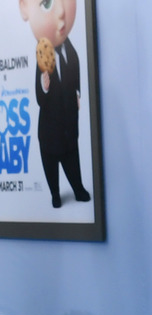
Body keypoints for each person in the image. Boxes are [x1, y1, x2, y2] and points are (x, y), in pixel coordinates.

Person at [20, 0, 91, 208]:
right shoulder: (43, 58)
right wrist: (44, 86)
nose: (60, 13)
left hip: (69, 124)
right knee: (51, 165)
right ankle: (55, 193)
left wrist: (77, 92)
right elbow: (40, 98)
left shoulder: (70, 49)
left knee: (72, 159)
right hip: (50, 130)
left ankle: (78, 188)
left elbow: (76, 68)